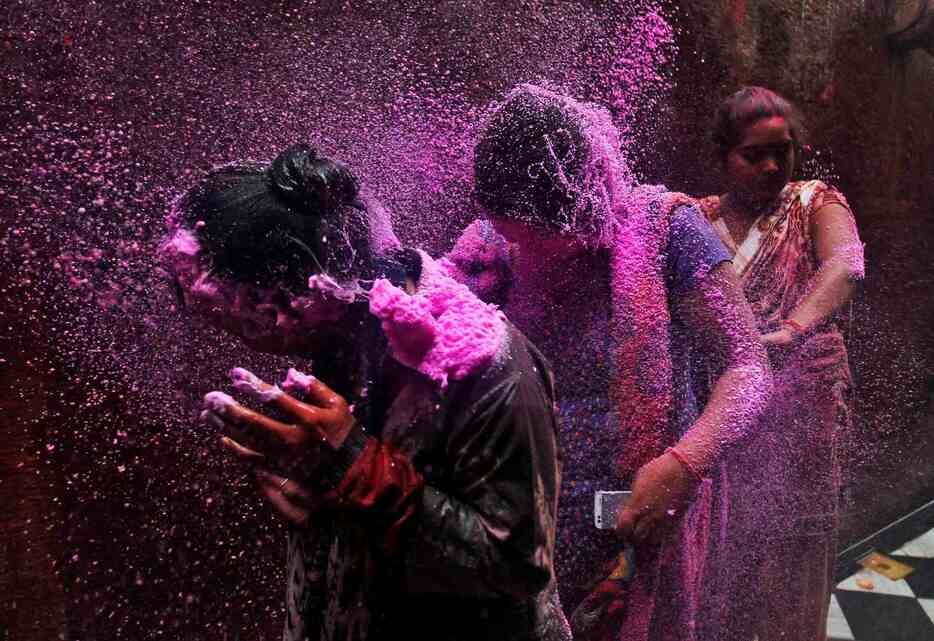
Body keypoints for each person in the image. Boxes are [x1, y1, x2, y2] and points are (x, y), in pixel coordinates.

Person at [160, 143, 572, 641]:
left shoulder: (489, 365)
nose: (238, 335)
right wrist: (316, 494)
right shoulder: (345, 340)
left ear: (292, 295)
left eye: (235, 319)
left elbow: (517, 566)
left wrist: (352, 466)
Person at [446, 84, 771, 641]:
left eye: (543, 239)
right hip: (515, 521)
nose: (528, 255)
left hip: (637, 519)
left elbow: (747, 368)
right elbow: (428, 334)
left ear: (585, 204)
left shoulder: (667, 233)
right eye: (510, 235)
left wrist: (685, 462)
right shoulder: (489, 244)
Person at [697, 86, 864, 641]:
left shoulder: (814, 202)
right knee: (721, 559)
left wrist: (794, 328)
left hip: (801, 425)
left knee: (794, 562)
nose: (772, 166)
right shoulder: (695, 221)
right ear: (723, 156)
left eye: (783, 151)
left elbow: (845, 264)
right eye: (754, 154)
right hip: (725, 420)